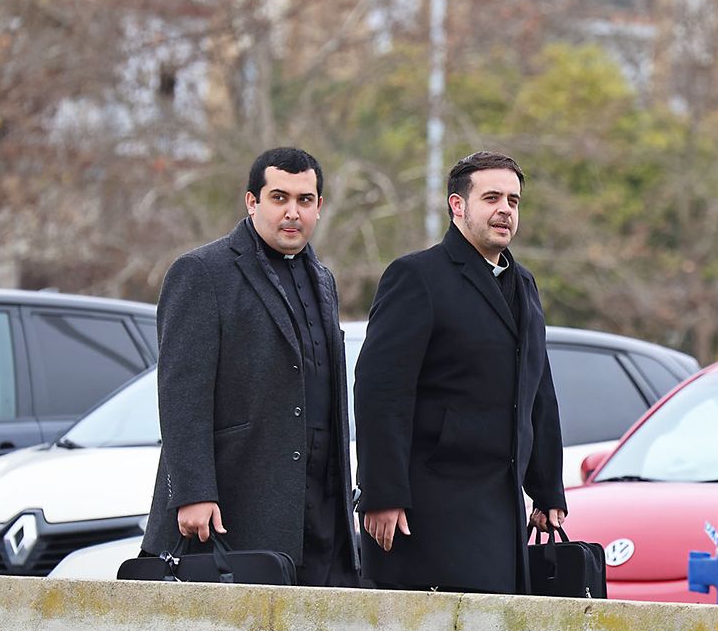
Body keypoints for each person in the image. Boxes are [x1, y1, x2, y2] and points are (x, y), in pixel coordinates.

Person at [142, 147, 358, 587]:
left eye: (305, 200)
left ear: (319, 207)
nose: (292, 212)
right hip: (236, 499)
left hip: (320, 499)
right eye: (279, 198)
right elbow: (182, 393)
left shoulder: (324, 279)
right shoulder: (202, 271)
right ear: (252, 202)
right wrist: (194, 492)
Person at [353, 150, 567, 593]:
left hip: (501, 503)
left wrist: (547, 490)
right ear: (458, 206)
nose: (505, 210)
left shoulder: (523, 284)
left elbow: (538, 390)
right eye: (492, 198)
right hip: (429, 505)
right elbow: (381, 391)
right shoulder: (417, 277)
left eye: (513, 200)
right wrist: (382, 493)